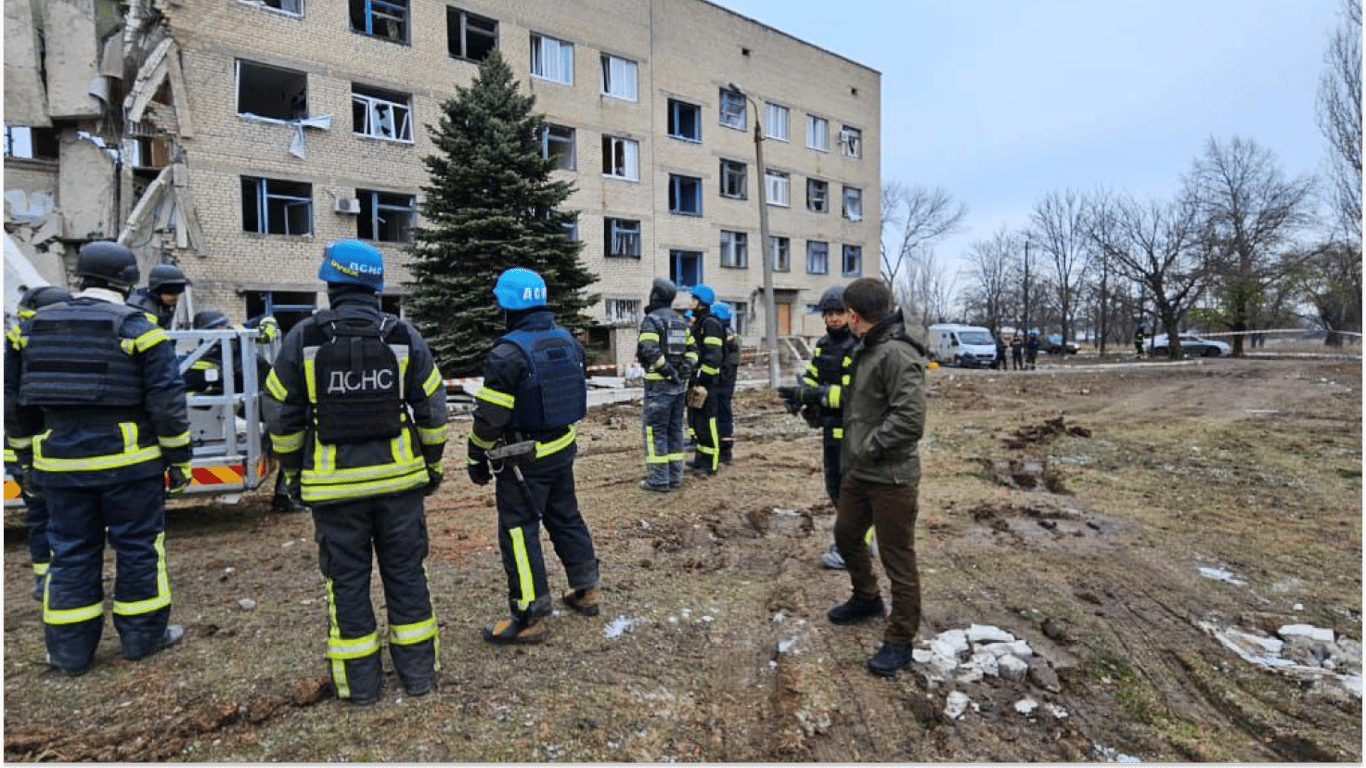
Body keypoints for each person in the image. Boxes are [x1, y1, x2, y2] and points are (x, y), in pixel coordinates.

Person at [263, 240, 448, 704]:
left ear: (331, 283)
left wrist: (292, 475)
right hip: (400, 485)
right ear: (377, 285)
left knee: (345, 582)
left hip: (332, 490)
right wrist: (433, 464)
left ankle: (360, 687)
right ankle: (419, 676)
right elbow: (433, 411)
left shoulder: (302, 338)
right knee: (407, 574)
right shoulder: (404, 336)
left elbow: (280, 416)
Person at [3, 241, 191, 676]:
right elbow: (166, 401)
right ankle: (143, 637)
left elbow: (13, 403)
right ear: (127, 281)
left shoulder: (31, 330)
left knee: (69, 552)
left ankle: (69, 652)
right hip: (130, 465)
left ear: (80, 277)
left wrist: (26, 459)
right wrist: (179, 459)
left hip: (60, 466)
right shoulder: (139, 329)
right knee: (140, 549)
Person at [467, 267, 601, 646]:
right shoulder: (569, 341)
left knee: (519, 531)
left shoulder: (508, 353)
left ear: (507, 304)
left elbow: (490, 418)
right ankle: (586, 589)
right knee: (565, 516)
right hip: (562, 449)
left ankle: (529, 616)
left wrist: (475, 454)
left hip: (523, 461)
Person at [826, 276, 929, 678]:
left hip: (892, 479)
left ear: (854, 316)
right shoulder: (869, 349)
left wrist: (867, 447)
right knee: (847, 536)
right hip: (861, 472)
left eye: (844, 313)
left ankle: (900, 639)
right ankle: (866, 598)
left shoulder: (898, 354)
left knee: (898, 559)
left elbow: (909, 421)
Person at [4, 285, 73, 601]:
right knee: (58, 517)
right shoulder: (52, 348)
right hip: (46, 450)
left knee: (41, 516)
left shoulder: (18, 348)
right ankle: (57, 578)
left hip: (26, 450)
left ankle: (46, 577)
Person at [635, 278, 695, 492]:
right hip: (679, 387)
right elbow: (692, 351)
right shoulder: (681, 321)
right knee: (674, 430)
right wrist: (685, 369)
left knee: (655, 431)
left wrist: (666, 370)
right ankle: (675, 476)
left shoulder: (652, 320)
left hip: (658, 387)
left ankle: (658, 480)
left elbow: (649, 349)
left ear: (655, 296)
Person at [685, 284, 725, 476]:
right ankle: (700, 460)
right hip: (697, 381)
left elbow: (713, 356)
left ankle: (711, 465)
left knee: (708, 423)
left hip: (708, 384)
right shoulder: (700, 323)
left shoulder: (710, 324)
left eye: (694, 298)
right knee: (698, 423)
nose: (690, 301)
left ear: (702, 303)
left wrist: (703, 378)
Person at [712, 302, 741, 465]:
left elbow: (722, 360)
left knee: (722, 416)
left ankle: (724, 451)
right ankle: (725, 449)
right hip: (726, 383)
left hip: (723, 383)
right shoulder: (730, 333)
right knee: (724, 415)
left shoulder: (724, 335)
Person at [127, 263, 191, 330]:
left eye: (179, 292)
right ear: (156, 291)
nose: (176, 297)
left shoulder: (161, 304)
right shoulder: (141, 309)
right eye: (170, 292)